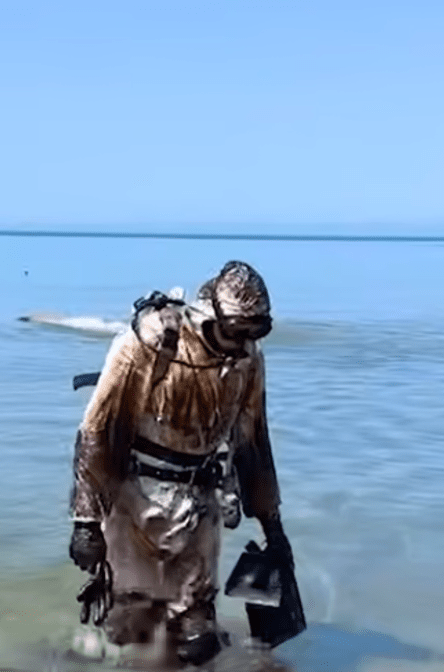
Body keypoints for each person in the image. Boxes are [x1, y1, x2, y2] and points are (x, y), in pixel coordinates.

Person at [67, 260, 297, 667]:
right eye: (237, 331)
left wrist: (272, 525)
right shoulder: (149, 342)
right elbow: (97, 430)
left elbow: (253, 445)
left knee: (196, 634)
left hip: (199, 502)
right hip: (135, 500)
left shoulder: (247, 361)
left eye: (255, 333)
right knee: (131, 629)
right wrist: (85, 523)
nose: (244, 343)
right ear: (210, 317)